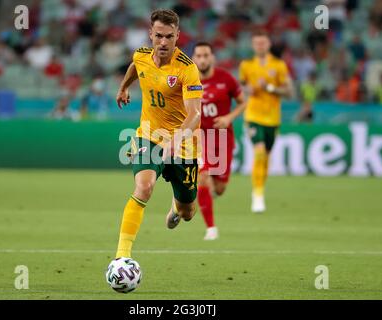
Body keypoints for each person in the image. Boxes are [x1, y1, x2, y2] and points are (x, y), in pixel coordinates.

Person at [114, 9, 203, 259]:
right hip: (149, 136)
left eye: (170, 37)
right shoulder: (141, 56)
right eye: (159, 36)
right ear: (150, 34)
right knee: (144, 187)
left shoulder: (187, 69)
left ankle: (176, 206)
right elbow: (134, 66)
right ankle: (122, 256)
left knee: (188, 211)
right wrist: (123, 88)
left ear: (178, 36)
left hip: (182, 145)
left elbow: (195, 115)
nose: (163, 42)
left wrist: (177, 139)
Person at [191, 42, 246, 240]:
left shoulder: (226, 79)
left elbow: (243, 102)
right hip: (199, 138)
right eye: (199, 55)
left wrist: (229, 118)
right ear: (194, 58)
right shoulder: (189, 78)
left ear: (212, 57)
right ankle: (211, 228)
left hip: (222, 139)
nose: (203, 59)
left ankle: (209, 194)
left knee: (220, 189)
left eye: (206, 55)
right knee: (203, 176)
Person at [239, 29, 294, 213]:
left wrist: (269, 87)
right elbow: (241, 87)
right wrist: (249, 90)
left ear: (268, 44)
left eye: (263, 43)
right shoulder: (246, 65)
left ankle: (260, 189)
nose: (260, 46)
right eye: (257, 43)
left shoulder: (278, 65)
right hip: (253, 116)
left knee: (266, 158)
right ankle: (257, 194)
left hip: (272, 118)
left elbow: (289, 92)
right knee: (260, 152)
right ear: (253, 45)